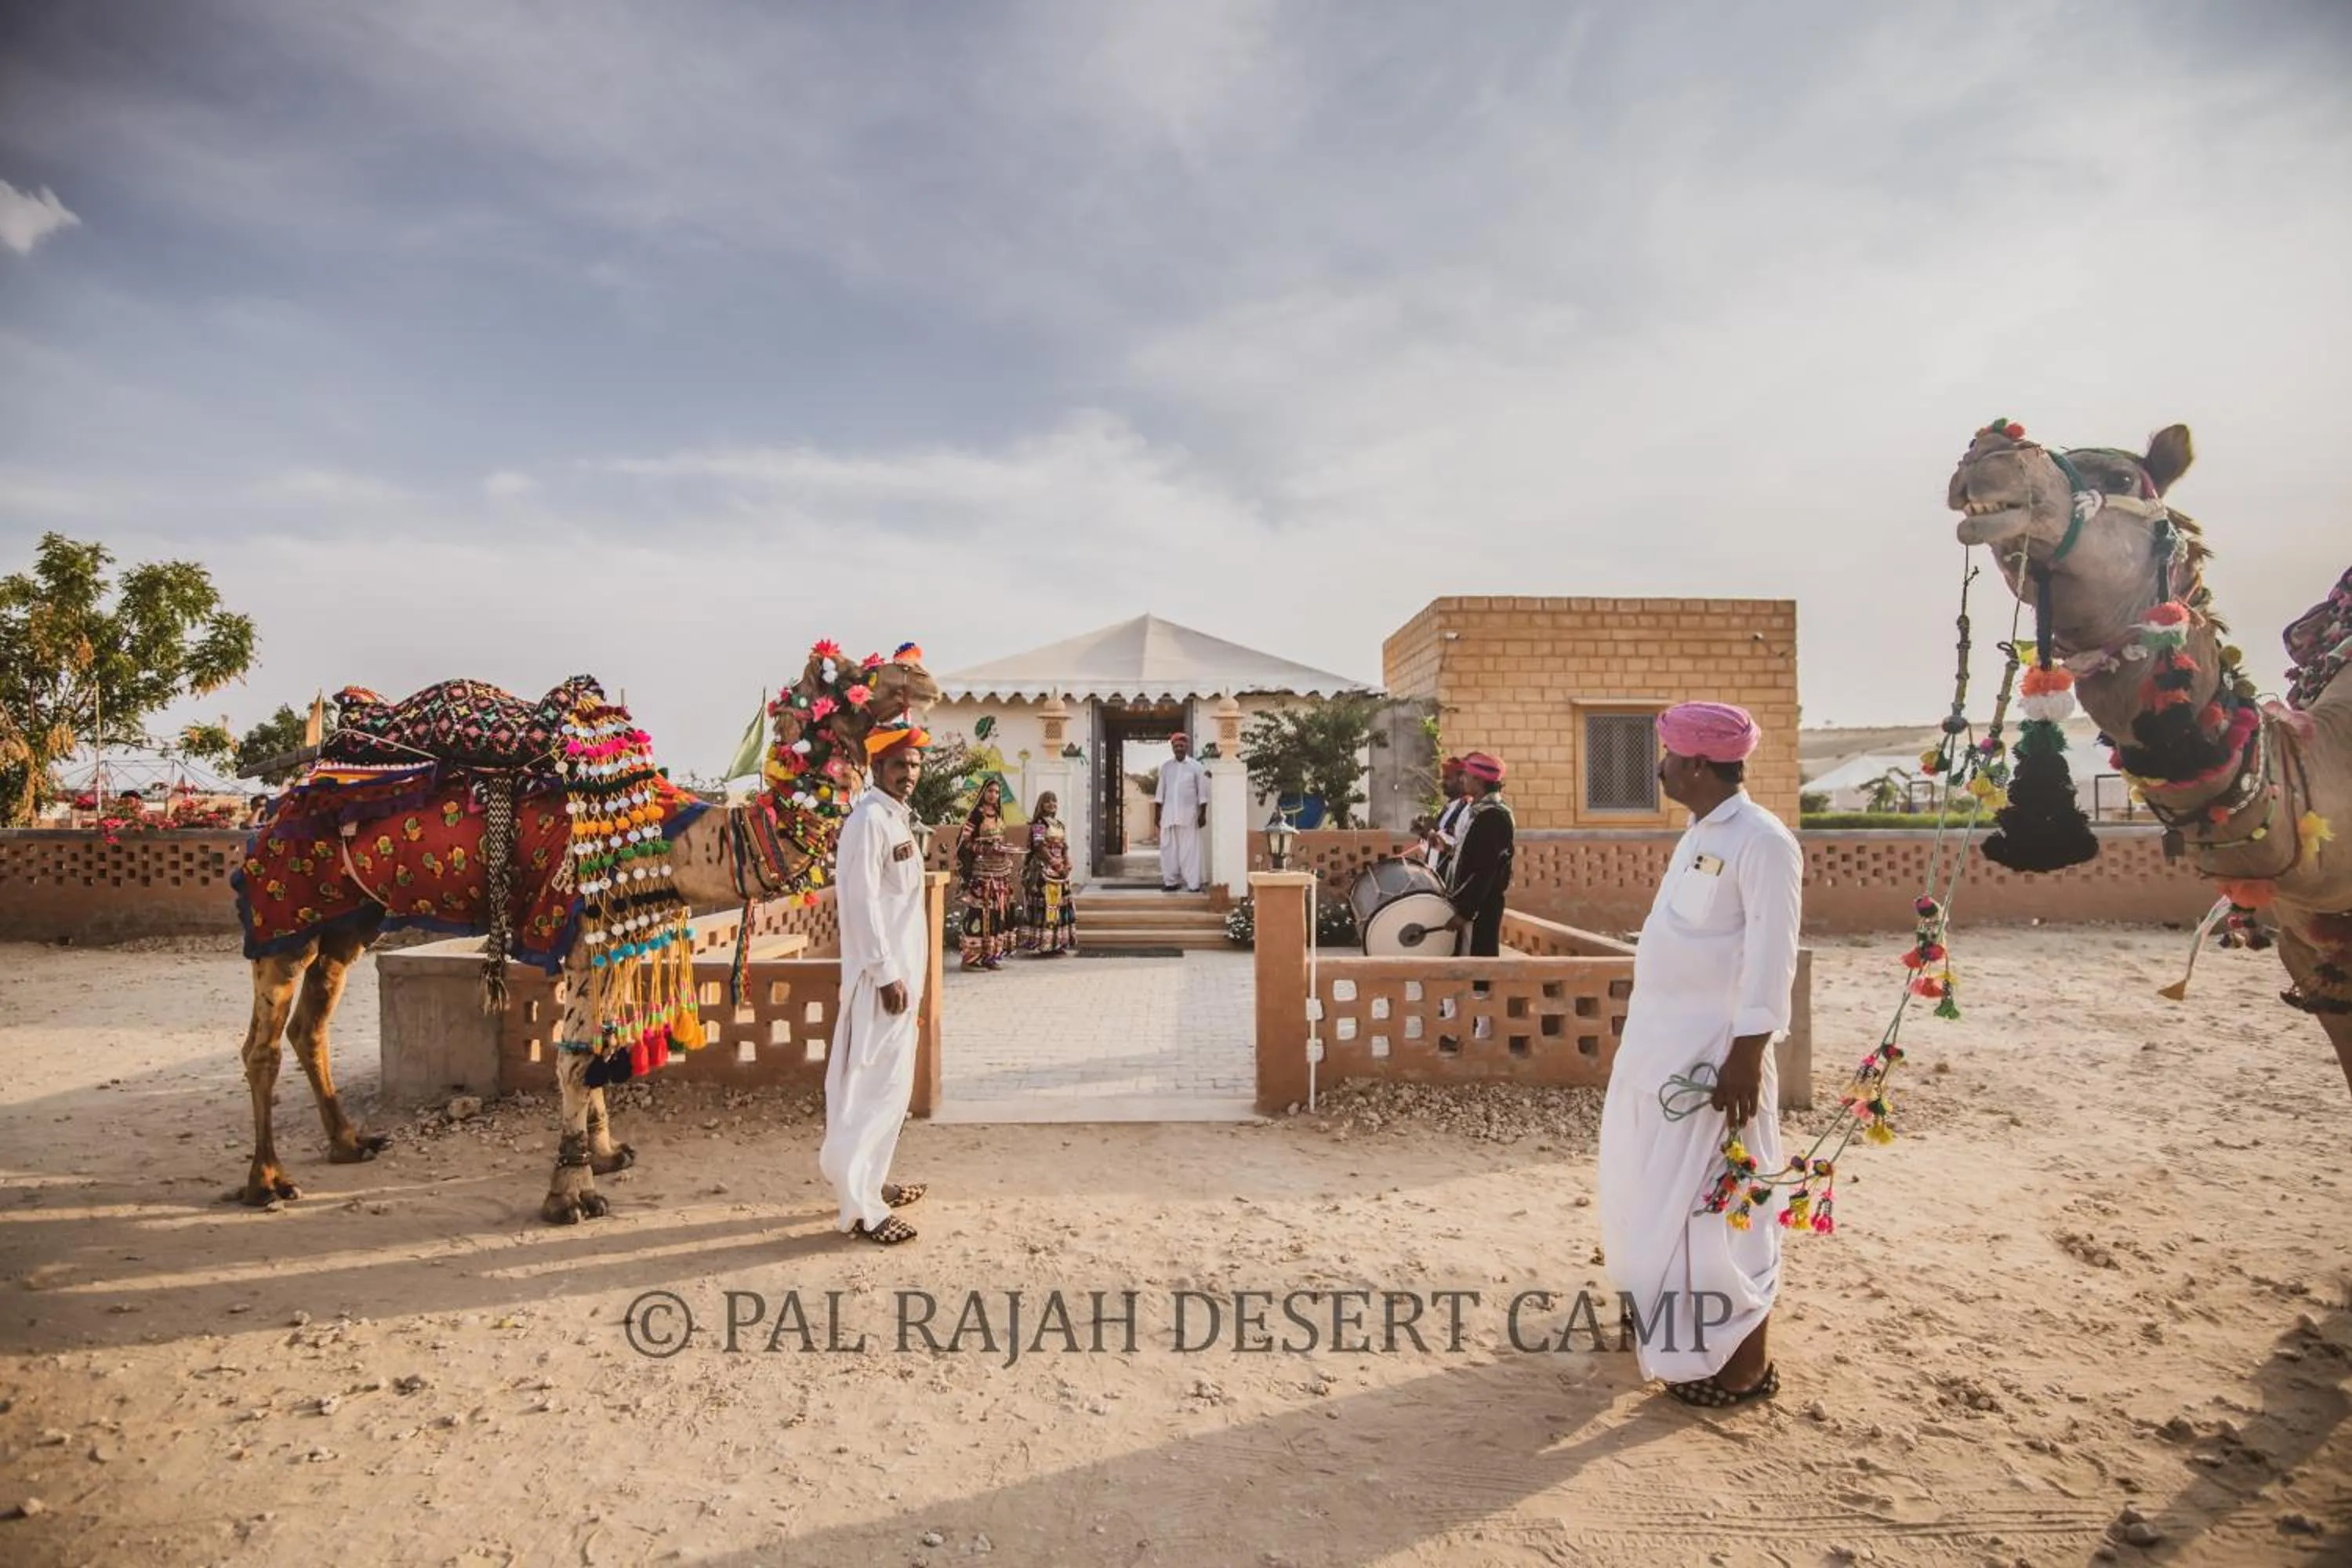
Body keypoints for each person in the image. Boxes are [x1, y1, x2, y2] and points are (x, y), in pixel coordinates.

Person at [1596, 701, 1802, 1408]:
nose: (1659, 769)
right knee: (1650, 1195)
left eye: (1668, 756)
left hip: (1717, 1062)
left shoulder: (1763, 841)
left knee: (1718, 1206)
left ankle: (1741, 1367)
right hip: (1657, 1055)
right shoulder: (1700, 833)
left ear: (1696, 764)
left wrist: (1747, 1056)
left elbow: (1772, 958)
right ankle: (1674, 1333)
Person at [819, 720, 933, 1247]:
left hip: (902, 978)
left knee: (891, 1089)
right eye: (899, 765)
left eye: (915, 764)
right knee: (868, 1091)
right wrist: (887, 974)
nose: (909, 773)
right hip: (879, 982)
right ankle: (862, 1211)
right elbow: (862, 902)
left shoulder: (894, 818)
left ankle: (873, 1182)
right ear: (879, 767)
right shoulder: (867, 821)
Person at [1441, 753, 1515, 956]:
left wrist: (1466, 912)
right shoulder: (1479, 812)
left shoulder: (1493, 816)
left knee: (1477, 965)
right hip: (1471, 906)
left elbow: (1486, 870)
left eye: (1466, 775)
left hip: (1481, 909)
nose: (1462, 780)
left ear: (1479, 781)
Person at [954, 778, 1021, 970]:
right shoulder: (976, 815)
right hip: (982, 874)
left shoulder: (999, 814)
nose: (994, 795)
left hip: (1000, 873)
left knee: (996, 914)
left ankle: (990, 956)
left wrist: (1003, 850)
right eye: (990, 791)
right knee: (979, 913)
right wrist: (984, 849)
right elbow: (964, 842)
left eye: (997, 792)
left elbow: (1000, 840)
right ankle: (970, 958)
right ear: (984, 792)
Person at [1020, 791, 1078, 956]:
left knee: (1060, 906)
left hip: (1060, 871)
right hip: (1043, 870)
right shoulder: (1039, 824)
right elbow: (1039, 846)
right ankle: (1045, 944)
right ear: (1041, 804)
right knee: (1046, 906)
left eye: (1054, 801)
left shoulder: (1059, 824)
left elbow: (1064, 846)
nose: (1052, 804)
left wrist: (1067, 862)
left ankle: (1058, 943)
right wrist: (1054, 862)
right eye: (1048, 801)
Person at [1154, 731, 1209, 893]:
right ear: (1172, 747)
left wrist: (1203, 814)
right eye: (1176, 746)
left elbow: (1202, 793)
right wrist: (1157, 815)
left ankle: (1193, 884)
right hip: (1169, 815)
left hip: (1189, 816)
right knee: (1168, 849)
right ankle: (1170, 882)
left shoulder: (1196, 767)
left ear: (1187, 747)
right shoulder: (1166, 767)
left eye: (1182, 746)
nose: (1179, 748)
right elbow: (1160, 793)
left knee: (1190, 850)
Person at [1407, 757, 1472, 879]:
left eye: (1447, 778)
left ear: (1462, 780)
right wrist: (1424, 833)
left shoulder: (1467, 809)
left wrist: (1435, 829)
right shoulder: (1447, 808)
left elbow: (1459, 849)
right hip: (1434, 877)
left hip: (1449, 879)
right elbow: (1434, 849)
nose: (1442, 783)